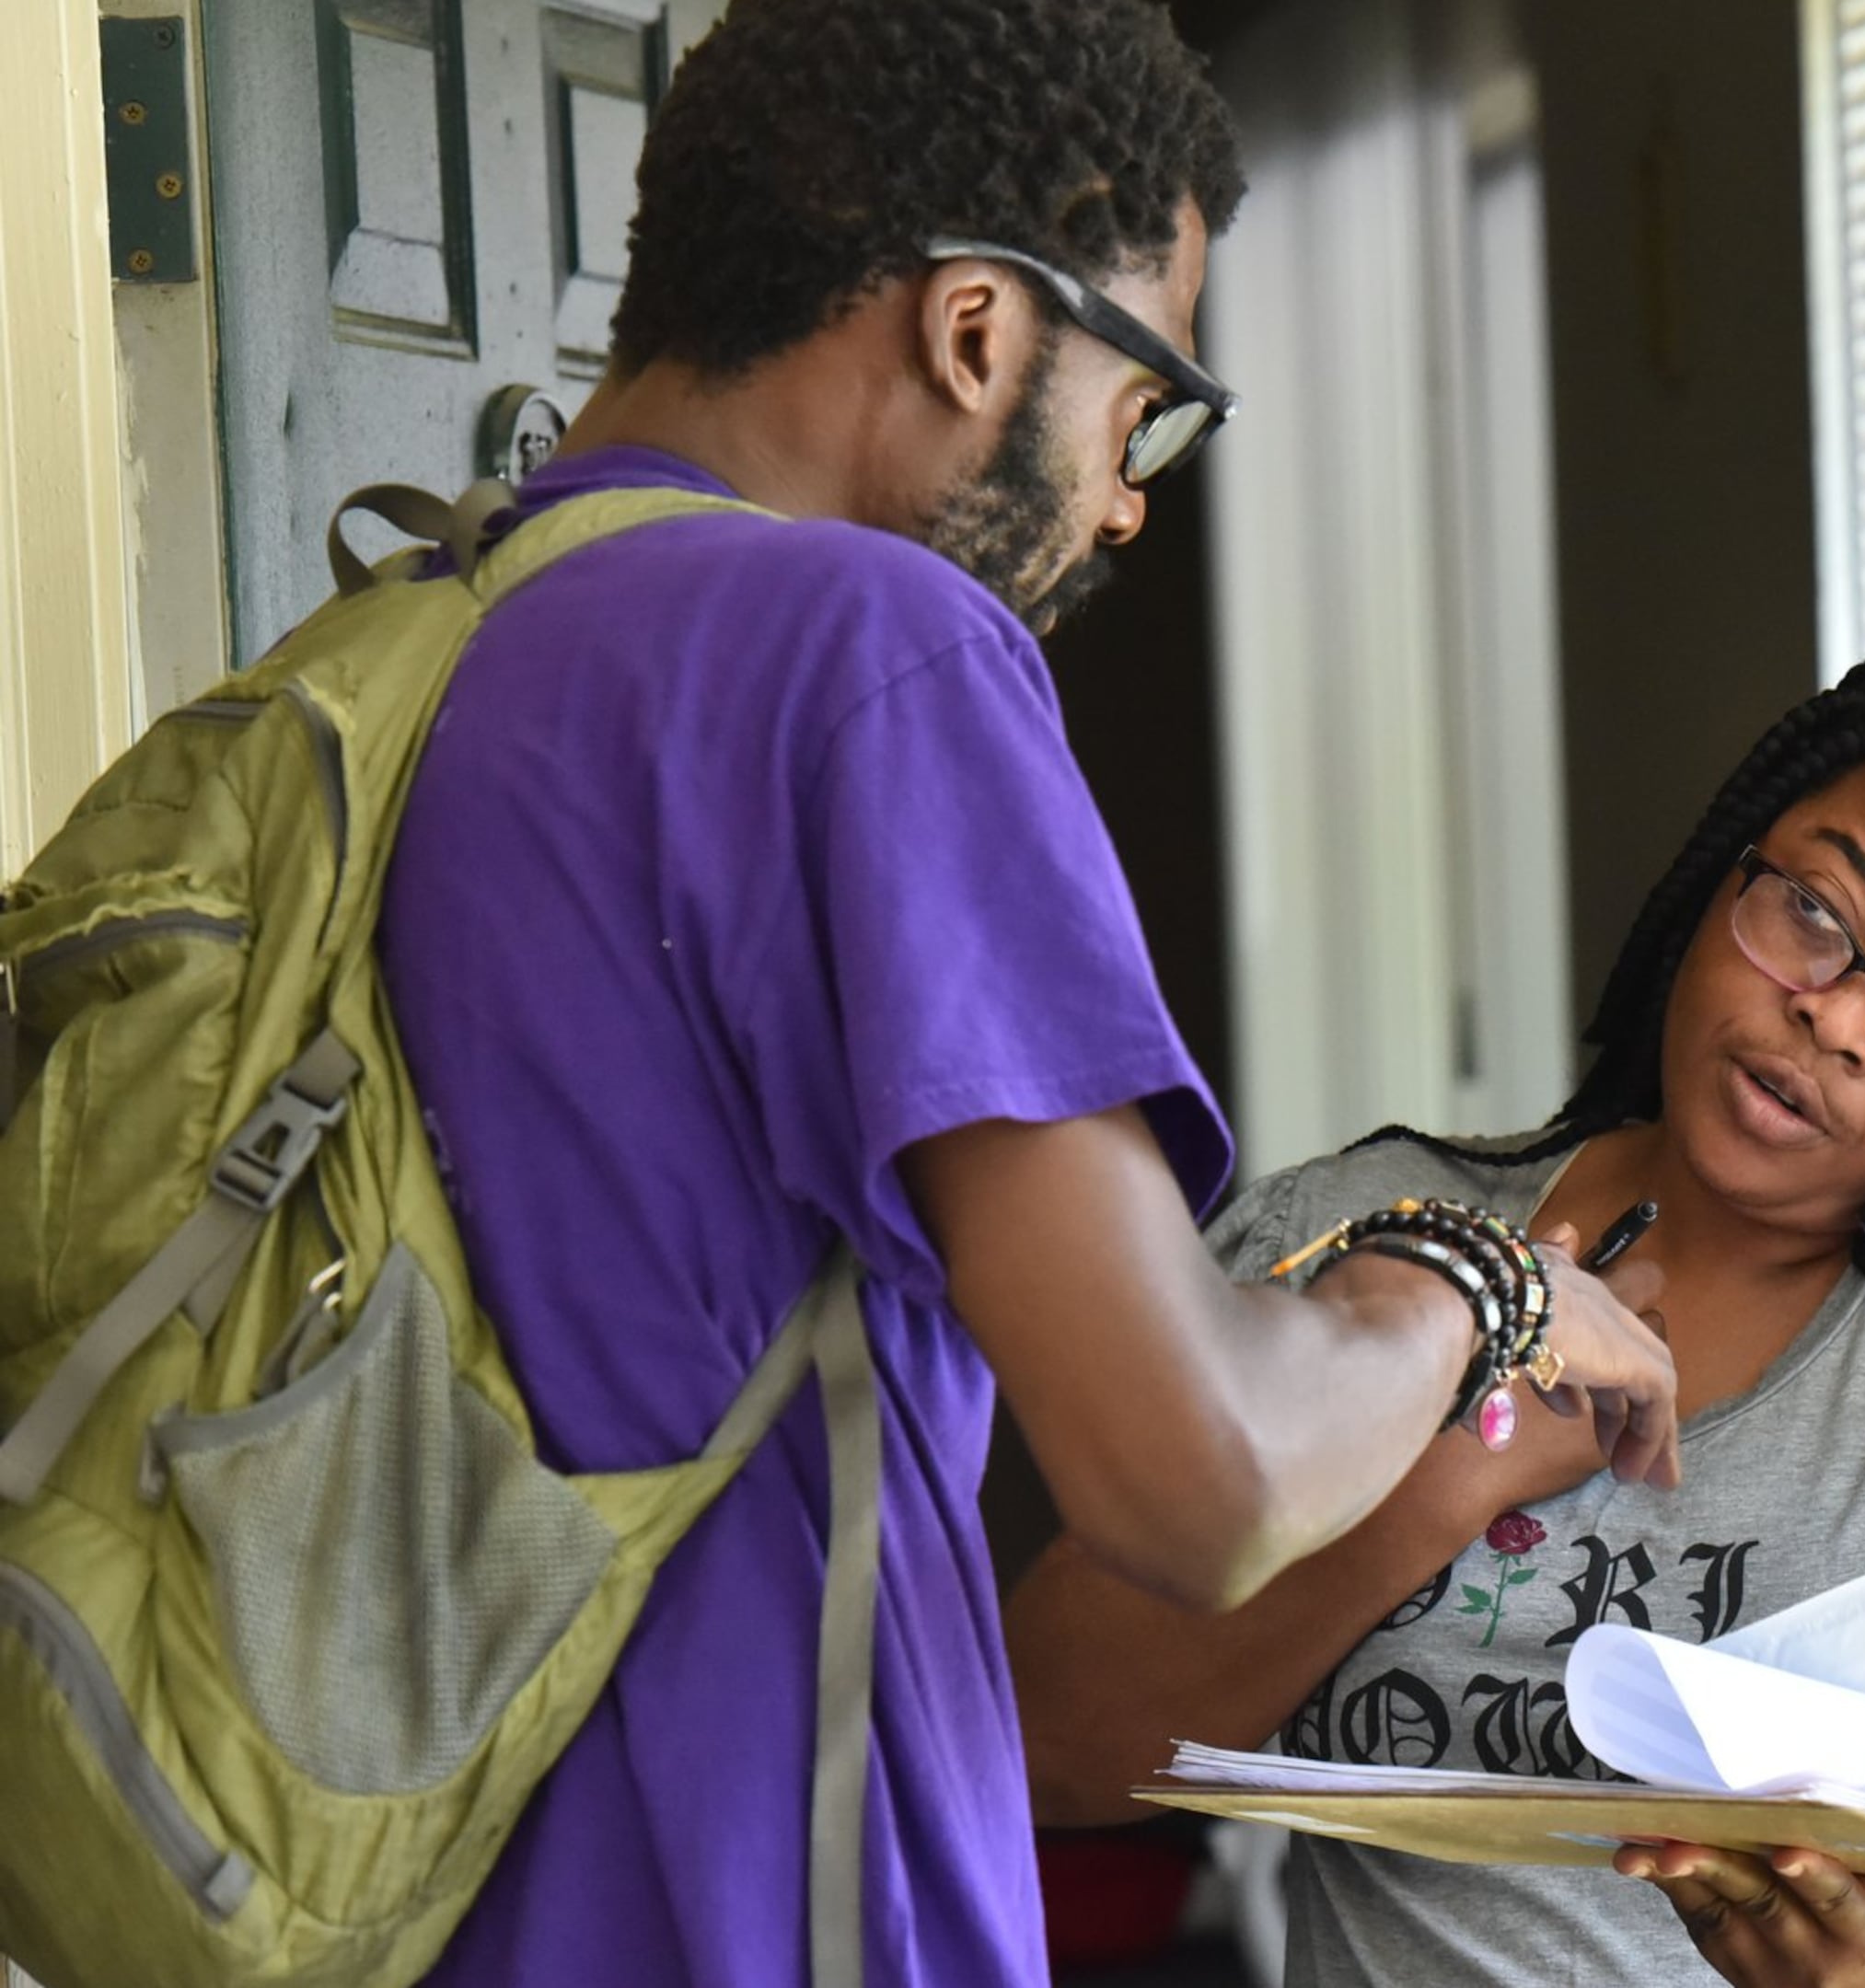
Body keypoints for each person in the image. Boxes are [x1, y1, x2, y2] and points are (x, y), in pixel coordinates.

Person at [374, 5, 1679, 1984]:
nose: (1130, 498)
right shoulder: (874, 653)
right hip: (750, 1918)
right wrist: (1469, 1282)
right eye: (1137, 409)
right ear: (979, 330)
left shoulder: (441, 622)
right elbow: (1204, 1477)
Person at [1006, 623, 1865, 1988]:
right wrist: (1454, 1450)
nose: (1839, 1019)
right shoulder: (1370, 1236)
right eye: (1816, 914)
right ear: (1725, 869)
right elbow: (1056, 1750)